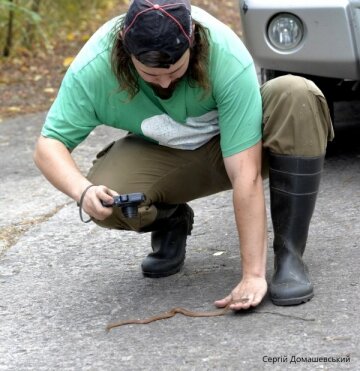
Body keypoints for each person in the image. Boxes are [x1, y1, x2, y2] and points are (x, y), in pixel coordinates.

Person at [34, 0, 334, 310]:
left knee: (296, 94)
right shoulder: (94, 67)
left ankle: (289, 257)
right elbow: (48, 145)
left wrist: (253, 275)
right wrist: (82, 192)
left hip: (242, 146)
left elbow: (246, 174)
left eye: (176, 70)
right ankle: (171, 219)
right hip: (168, 154)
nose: (165, 82)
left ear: (194, 41)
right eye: (151, 75)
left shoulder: (224, 52)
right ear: (125, 49)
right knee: (111, 202)